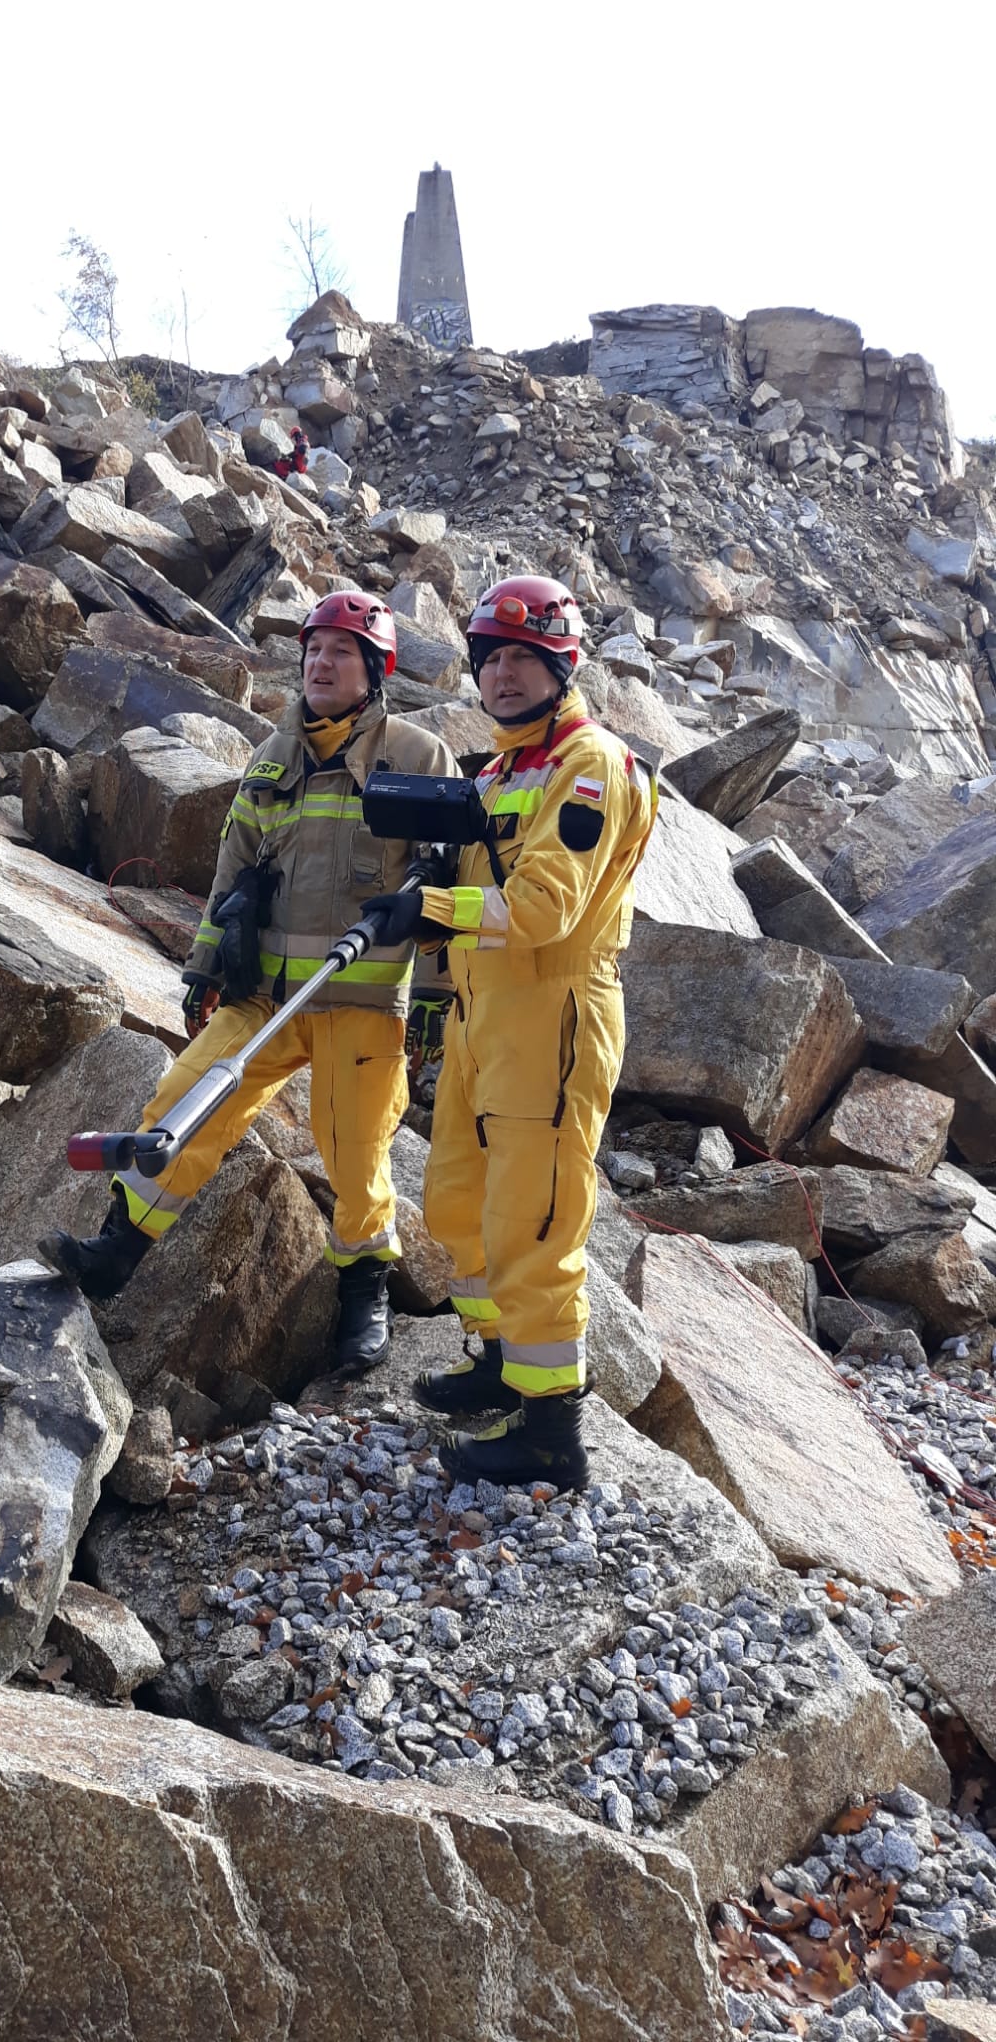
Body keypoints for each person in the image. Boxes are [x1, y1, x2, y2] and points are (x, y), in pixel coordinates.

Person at [38, 592, 458, 1370]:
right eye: (314, 649)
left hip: (361, 999)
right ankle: (117, 1251)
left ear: (375, 671)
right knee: (184, 1101)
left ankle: (364, 1291)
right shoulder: (273, 757)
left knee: (355, 1150)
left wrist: (436, 994)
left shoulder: (417, 758)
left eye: (341, 652)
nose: (321, 663)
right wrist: (204, 966)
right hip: (261, 992)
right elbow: (232, 870)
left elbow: (443, 883)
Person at [359, 574, 657, 1489]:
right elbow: (479, 879)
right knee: (457, 1200)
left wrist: (428, 910)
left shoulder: (589, 764)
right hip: (481, 1014)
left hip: (553, 1011)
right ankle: (500, 1360)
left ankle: (551, 1431)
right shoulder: (495, 772)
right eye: (492, 659)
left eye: (527, 659)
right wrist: (431, 887)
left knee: (534, 1216)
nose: (505, 675)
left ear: (563, 669)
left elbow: (544, 909)